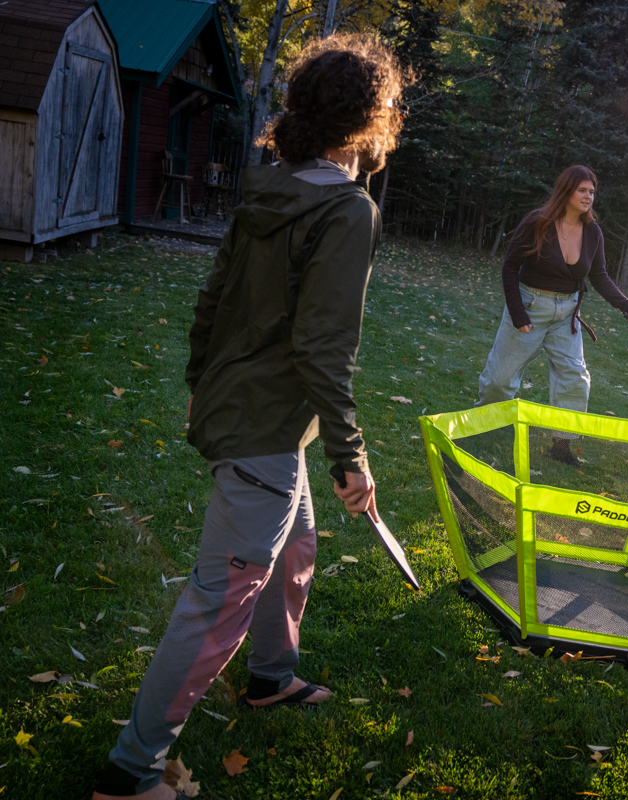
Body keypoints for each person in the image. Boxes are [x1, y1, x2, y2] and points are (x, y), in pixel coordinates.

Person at [92, 34, 411, 800]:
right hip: (264, 426)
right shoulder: (346, 209)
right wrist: (352, 458)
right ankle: (131, 772)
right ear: (368, 118)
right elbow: (323, 350)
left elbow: (215, 300)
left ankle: (270, 677)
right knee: (216, 603)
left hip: (244, 411)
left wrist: (201, 380)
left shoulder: (271, 183)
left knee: (295, 545)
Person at [476, 166, 628, 465]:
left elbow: (600, 276)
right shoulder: (537, 222)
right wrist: (517, 313)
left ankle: (561, 446)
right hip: (530, 307)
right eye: (582, 190)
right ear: (566, 191)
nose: (589, 196)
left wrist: (627, 306)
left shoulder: (592, 232)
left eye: (592, 192)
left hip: (567, 313)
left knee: (575, 379)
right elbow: (509, 267)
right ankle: (484, 428)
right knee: (500, 380)